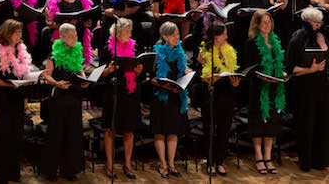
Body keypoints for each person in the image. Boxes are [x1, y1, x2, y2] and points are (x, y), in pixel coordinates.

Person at [41, 23, 88, 181]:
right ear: (62, 37)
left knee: (73, 134)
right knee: (57, 134)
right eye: (72, 35)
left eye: (76, 34)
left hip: (74, 97)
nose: (76, 37)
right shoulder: (54, 53)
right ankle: (51, 170)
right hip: (59, 97)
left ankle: (70, 169)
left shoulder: (76, 50)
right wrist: (56, 83)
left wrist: (85, 79)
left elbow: (79, 68)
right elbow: (46, 75)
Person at [0, 19, 34, 184]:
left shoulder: (21, 50)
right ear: (8, 33)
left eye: (20, 32)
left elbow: (24, 71)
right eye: (16, 32)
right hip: (4, 100)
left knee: (17, 137)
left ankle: (14, 174)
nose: (19, 35)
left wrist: (30, 77)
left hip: (17, 99)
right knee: (4, 139)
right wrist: (10, 84)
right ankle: (1, 178)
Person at [286, 7, 329, 171]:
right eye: (315, 22)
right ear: (306, 22)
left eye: (320, 22)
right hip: (304, 88)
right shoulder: (297, 39)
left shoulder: (321, 37)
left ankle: (320, 161)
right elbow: (290, 69)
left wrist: (323, 46)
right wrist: (311, 70)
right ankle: (306, 161)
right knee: (307, 124)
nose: (318, 25)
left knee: (321, 123)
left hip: (321, 86)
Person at [100, 18, 143, 179]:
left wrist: (139, 71)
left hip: (130, 93)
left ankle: (127, 164)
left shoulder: (134, 47)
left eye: (130, 31)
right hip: (113, 92)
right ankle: (110, 165)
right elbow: (101, 74)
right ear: (118, 33)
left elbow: (138, 69)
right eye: (127, 31)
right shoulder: (107, 49)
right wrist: (108, 70)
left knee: (129, 130)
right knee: (111, 128)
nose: (130, 34)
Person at [245, 10, 286, 175]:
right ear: (257, 24)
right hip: (258, 89)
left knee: (271, 124)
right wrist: (262, 77)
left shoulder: (276, 42)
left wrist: (282, 74)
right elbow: (249, 68)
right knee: (258, 123)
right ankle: (258, 156)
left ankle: (268, 156)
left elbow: (281, 65)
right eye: (264, 22)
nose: (267, 25)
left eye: (269, 22)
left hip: (274, 89)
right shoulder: (252, 43)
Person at [198, 22, 240, 176]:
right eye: (224, 34)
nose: (227, 36)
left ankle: (220, 161)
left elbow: (233, 72)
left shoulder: (229, 50)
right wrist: (211, 79)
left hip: (227, 95)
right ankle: (210, 162)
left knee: (224, 129)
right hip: (210, 95)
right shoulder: (204, 51)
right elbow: (201, 76)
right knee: (210, 130)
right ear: (216, 36)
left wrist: (235, 83)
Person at [151, 21, 191, 179]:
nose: (177, 37)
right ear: (165, 36)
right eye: (174, 34)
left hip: (175, 97)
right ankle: (162, 163)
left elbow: (183, 70)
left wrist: (188, 73)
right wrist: (168, 87)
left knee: (173, 131)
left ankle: (172, 163)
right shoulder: (157, 53)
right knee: (160, 132)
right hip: (161, 98)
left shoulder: (180, 52)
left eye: (178, 34)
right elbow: (152, 79)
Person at [45, 0, 94, 65]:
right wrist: (67, 24)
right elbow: (49, 23)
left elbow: (88, 19)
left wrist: (87, 22)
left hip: (79, 34)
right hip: (61, 36)